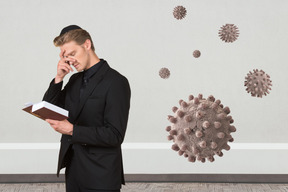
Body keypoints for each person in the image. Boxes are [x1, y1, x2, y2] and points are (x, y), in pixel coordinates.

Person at [43, 25, 131, 192]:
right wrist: (59, 78)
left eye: (73, 53)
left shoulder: (116, 82)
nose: (70, 60)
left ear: (87, 45)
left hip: (101, 176)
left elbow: (115, 135)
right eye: (66, 56)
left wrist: (72, 130)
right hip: (74, 171)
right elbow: (49, 109)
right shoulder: (74, 80)